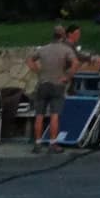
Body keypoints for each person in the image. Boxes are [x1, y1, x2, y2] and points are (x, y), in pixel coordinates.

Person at [26, 25, 77, 153]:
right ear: (63, 36)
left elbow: (29, 60)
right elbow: (75, 63)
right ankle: (53, 144)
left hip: (43, 84)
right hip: (57, 85)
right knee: (54, 115)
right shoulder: (66, 50)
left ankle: (37, 144)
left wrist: (38, 71)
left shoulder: (43, 49)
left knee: (39, 115)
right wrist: (67, 76)